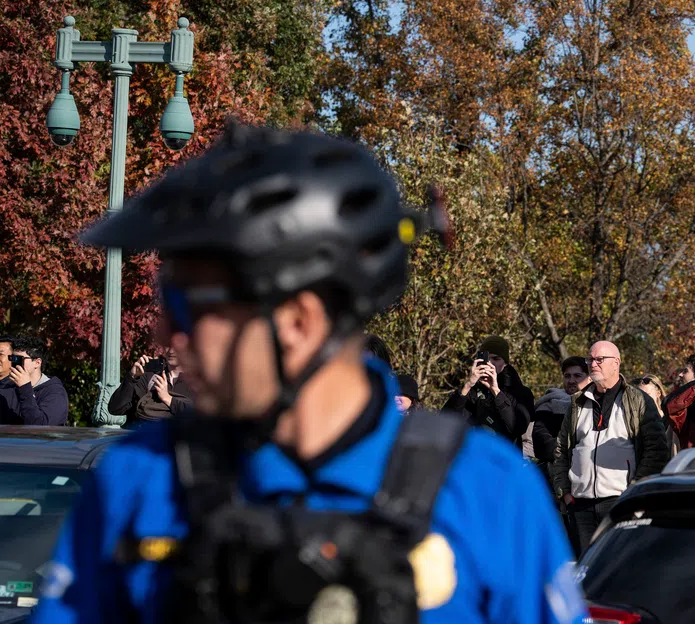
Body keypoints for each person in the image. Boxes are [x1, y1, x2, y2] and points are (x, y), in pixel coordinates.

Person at [32, 121, 584, 624]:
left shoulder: (486, 490)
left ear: (297, 320)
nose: (166, 336)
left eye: (189, 307)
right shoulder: (138, 479)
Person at [551, 341, 668, 556]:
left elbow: (656, 450)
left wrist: (635, 493)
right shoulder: (577, 403)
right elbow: (561, 450)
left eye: (599, 359)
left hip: (620, 503)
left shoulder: (637, 400)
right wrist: (565, 493)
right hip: (580, 505)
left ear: (616, 363)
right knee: (586, 575)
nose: (593, 364)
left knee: (620, 571)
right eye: (590, 359)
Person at [442, 336, 535, 447]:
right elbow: (445, 421)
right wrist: (467, 385)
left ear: (505, 363)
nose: (490, 364)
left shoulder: (520, 392)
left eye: (496, 359)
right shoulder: (472, 391)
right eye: (486, 359)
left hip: (504, 459)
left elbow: (517, 428)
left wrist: (496, 391)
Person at [109, 348, 194, 427]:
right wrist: (132, 377)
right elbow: (116, 408)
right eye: (168, 344)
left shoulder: (198, 383)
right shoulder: (150, 376)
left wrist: (167, 398)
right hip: (145, 440)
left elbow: (202, 417)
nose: (171, 350)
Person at [6, 335, 68, 425]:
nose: (15, 363)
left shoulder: (55, 392)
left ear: (37, 363)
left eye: (20, 359)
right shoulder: (7, 387)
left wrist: (25, 389)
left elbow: (41, 427)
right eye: (13, 358)